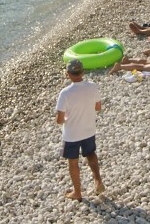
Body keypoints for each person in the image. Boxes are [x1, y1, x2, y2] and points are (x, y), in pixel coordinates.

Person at [56, 60, 105, 200]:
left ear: (68, 74)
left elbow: (59, 119)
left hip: (72, 134)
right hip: (89, 129)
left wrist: (65, 119)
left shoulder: (65, 93)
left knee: (73, 161)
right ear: (83, 72)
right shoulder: (92, 86)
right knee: (91, 154)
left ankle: (77, 193)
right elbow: (98, 107)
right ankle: (98, 181)